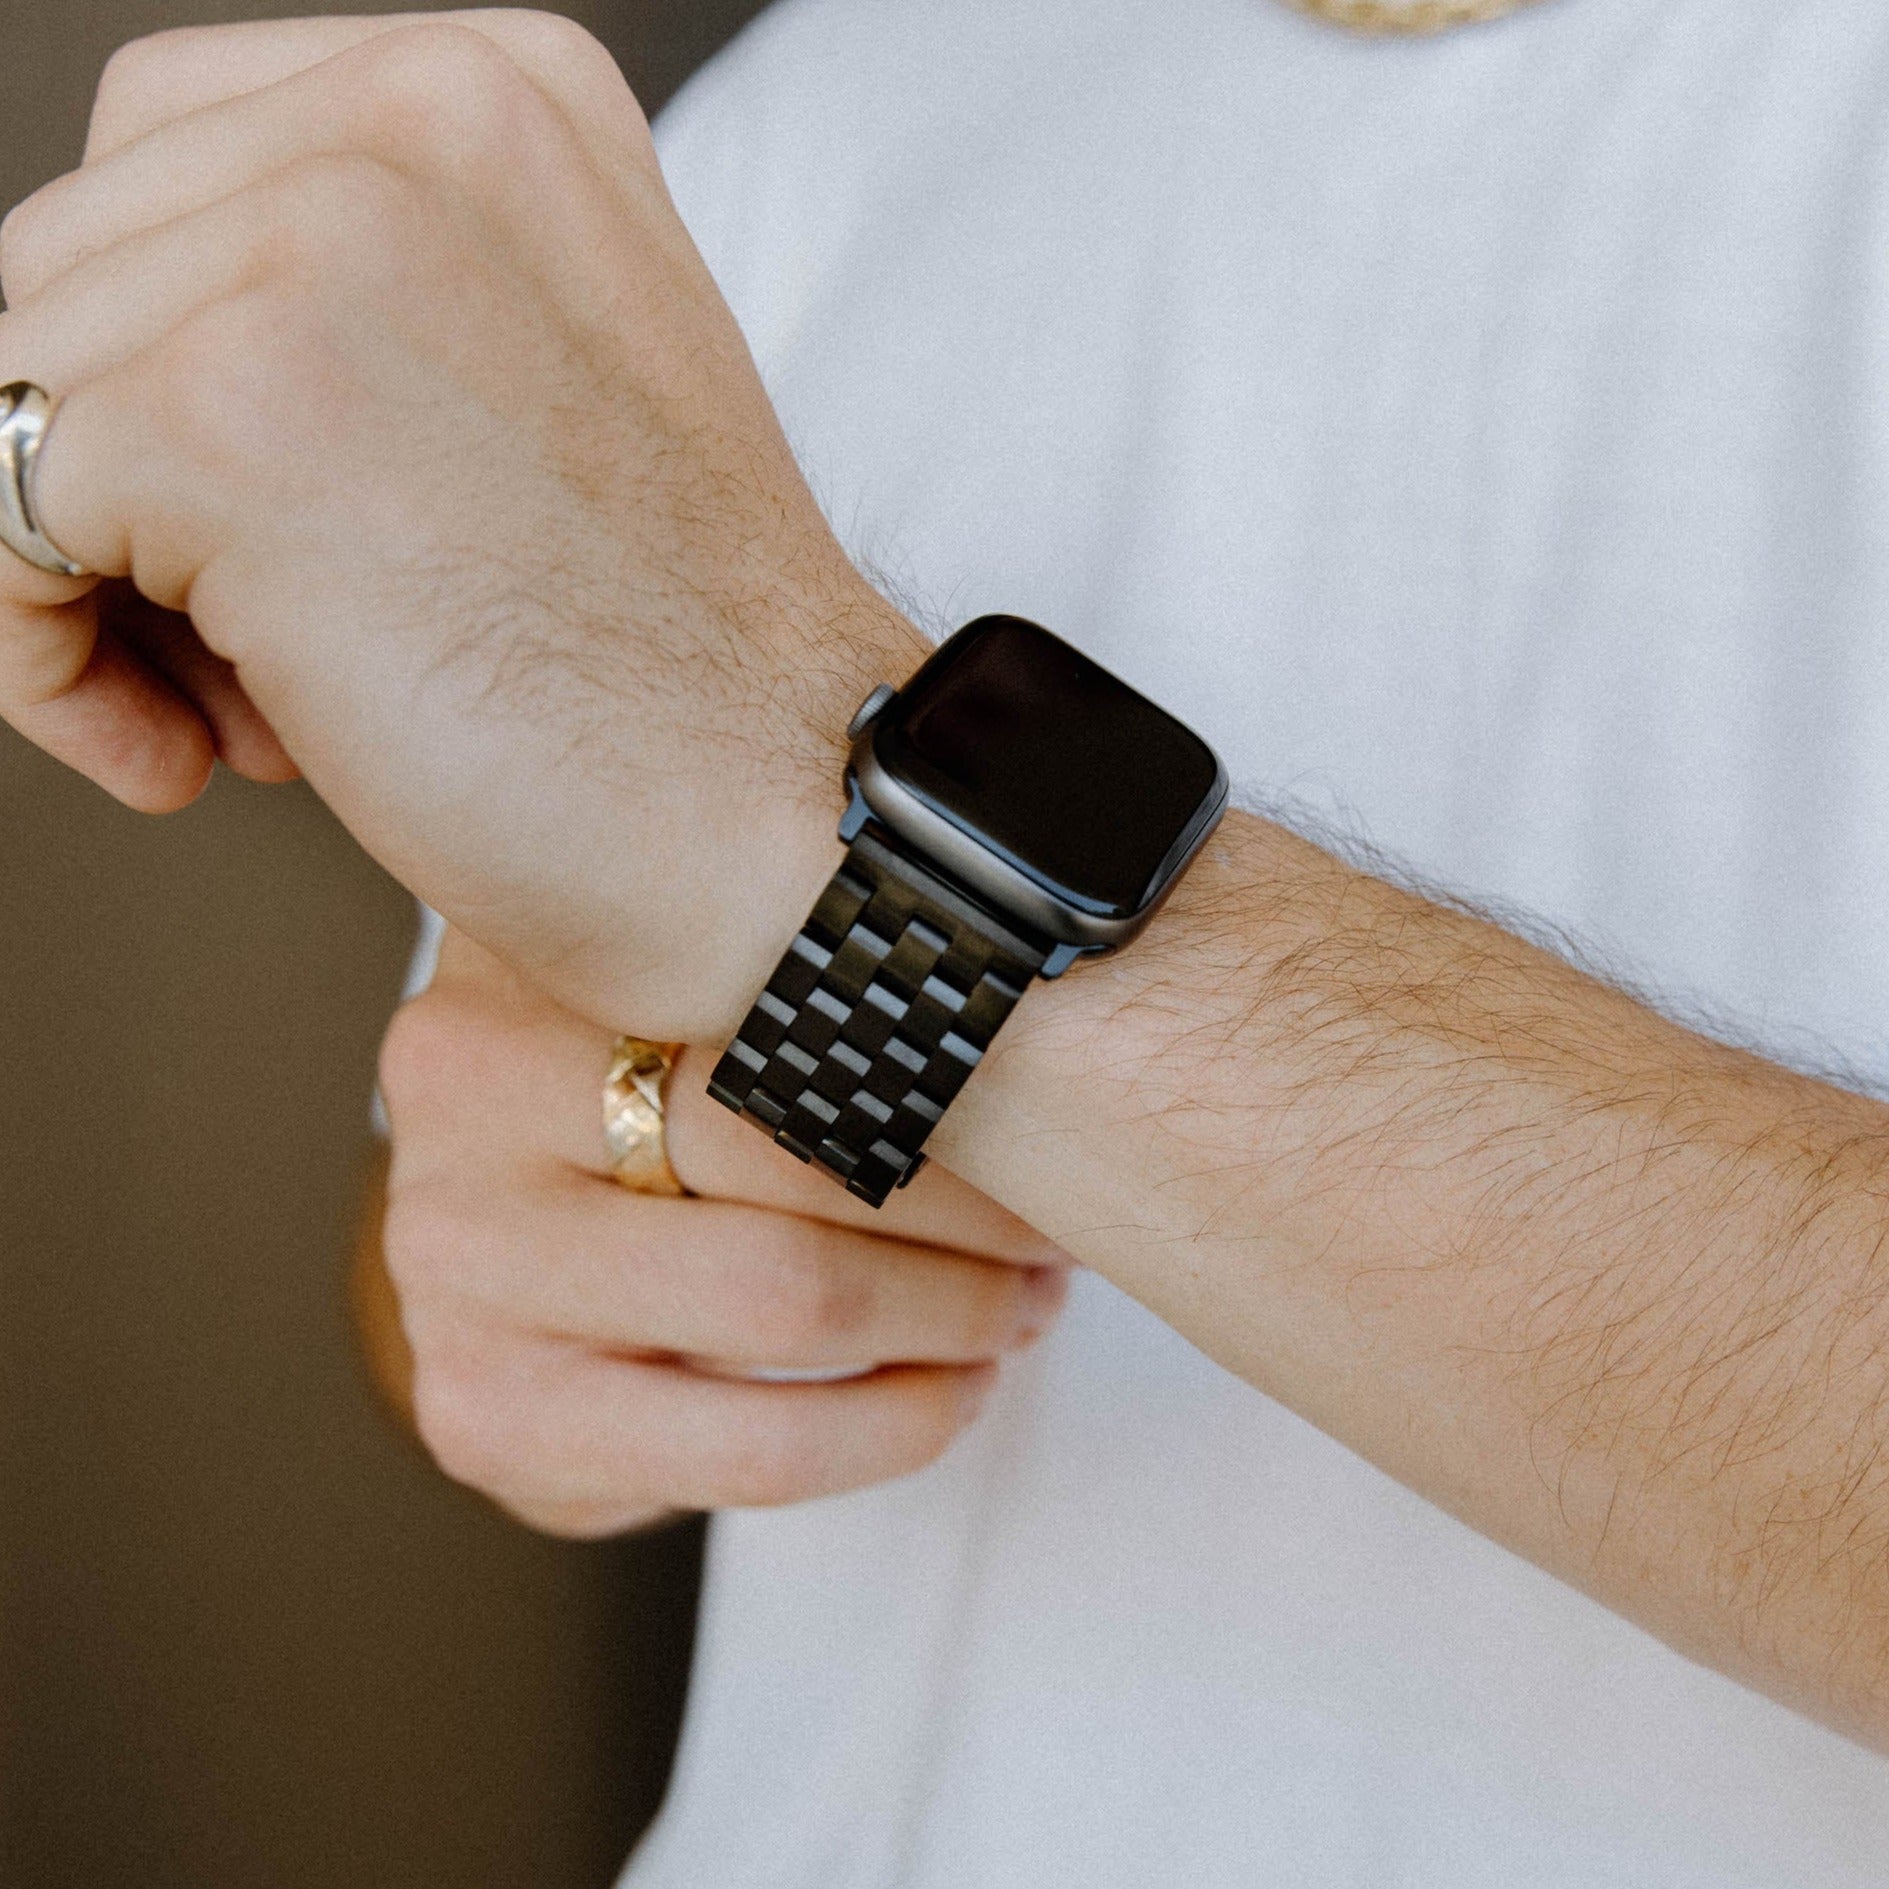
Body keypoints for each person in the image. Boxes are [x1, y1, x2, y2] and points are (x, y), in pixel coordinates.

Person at [3, 3, 1889, 1883]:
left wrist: (799, 793)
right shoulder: (817, 97)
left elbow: (771, 841)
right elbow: (457, 1210)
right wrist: (532, 1253)